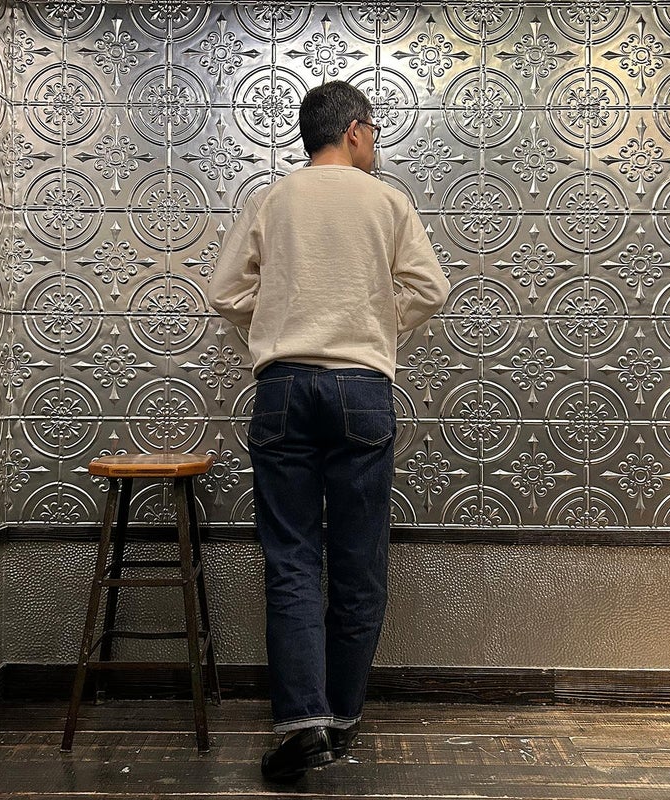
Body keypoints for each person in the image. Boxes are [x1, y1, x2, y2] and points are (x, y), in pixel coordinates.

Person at [208, 80, 449, 782]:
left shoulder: (272, 198)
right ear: (353, 131)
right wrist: (375, 325)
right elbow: (430, 289)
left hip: (282, 388)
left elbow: (225, 292)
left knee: (290, 558)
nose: (374, 143)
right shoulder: (386, 201)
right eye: (372, 131)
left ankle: (302, 723)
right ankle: (341, 719)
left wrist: (278, 321)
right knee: (357, 561)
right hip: (362, 389)